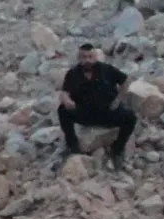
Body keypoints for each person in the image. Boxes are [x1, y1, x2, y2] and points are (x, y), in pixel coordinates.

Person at [58, 43, 135, 171]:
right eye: (84, 57)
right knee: (62, 110)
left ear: (95, 56)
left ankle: (117, 149)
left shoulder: (106, 69)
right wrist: (67, 101)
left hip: (107, 113)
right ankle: (72, 146)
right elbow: (64, 92)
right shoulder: (73, 74)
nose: (87, 60)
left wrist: (119, 99)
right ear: (79, 58)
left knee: (131, 117)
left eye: (90, 57)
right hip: (85, 113)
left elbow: (126, 80)